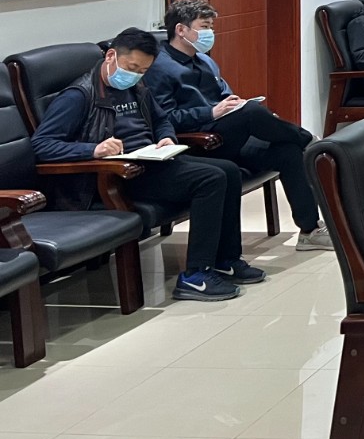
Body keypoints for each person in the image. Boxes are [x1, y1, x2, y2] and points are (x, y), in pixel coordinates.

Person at [31, 28, 266, 302]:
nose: (136, 75)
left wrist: (166, 137)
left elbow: (161, 118)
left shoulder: (136, 86)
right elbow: (42, 144)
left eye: (143, 70)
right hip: (118, 175)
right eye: (132, 68)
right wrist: (93, 149)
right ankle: (196, 276)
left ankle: (225, 259)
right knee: (210, 179)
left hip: (150, 161)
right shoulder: (79, 95)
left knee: (228, 170)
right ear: (111, 56)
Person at [144, 0, 333, 251]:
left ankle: (309, 231)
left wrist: (235, 104)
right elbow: (165, 118)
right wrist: (210, 112)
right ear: (181, 30)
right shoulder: (159, 67)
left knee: (287, 152)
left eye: (212, 26)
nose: (210, 33)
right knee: (252, 114)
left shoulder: (205, 60)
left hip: (228, 136)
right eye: (204, 26)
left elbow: (226, 96)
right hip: (199, 142)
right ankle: (308, 140)